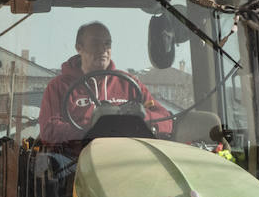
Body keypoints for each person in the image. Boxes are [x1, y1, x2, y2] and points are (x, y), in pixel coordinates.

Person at [38, 22, 171, 144]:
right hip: (76, 160)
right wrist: (92, 129)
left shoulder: (129, 84)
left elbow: (166, 120)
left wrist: (142, 119)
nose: (103, 49)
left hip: (128, 157)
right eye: (95, 43)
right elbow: (49, 130)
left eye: (107, 44)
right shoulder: (59, 86)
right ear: (79, 48)